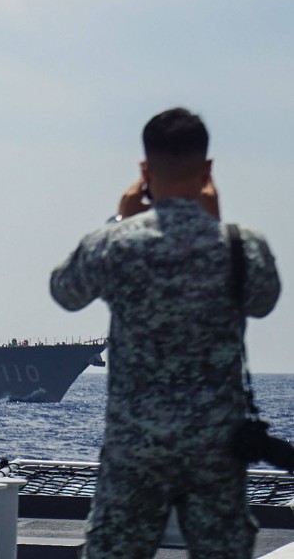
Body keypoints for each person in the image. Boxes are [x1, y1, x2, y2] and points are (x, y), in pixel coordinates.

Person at [50, 107, 281, 558]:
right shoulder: (240, 245)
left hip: (135, 447)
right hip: (215, 448)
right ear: (208, 168)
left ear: (144, 169)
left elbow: (66, 291)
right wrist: (216, 226)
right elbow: (263, 301)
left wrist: (120, 219)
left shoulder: (116, 243)